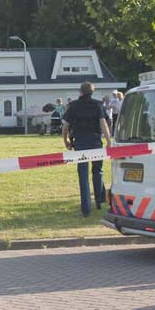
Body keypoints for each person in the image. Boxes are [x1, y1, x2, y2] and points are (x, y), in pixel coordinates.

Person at [62, 81, 112, 216]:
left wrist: (66, 140)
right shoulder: (98, 105)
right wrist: (108, 140)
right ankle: (99, 201)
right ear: (92, 92)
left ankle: (86, 209)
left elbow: (66, 126)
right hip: (96, 143)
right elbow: (103, 124)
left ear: (81, 92)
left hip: (81, 144)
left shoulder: (73, 106)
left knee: (83, 176)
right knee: (98, 171)